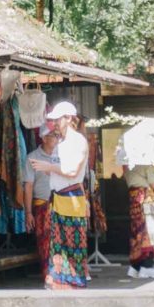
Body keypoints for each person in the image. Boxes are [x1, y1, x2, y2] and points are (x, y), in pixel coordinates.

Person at [29, 100, 90, 290]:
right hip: (58, 197)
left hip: (71, 197)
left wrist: (49, 167)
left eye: (57, 119)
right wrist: (49, 169)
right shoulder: (60, 143)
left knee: (72, 242)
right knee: (59, 244)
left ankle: (73, 280)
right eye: (53, 120)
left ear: (68, 118)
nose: (54, 123)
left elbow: (72, 171)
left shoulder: (77, 141)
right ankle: (59, 280)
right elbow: (59, 170)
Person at [24, 119, 60, 277]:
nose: (57, 138)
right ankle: (48, 275)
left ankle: (61, 275)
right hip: (42, 204)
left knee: (62, 241)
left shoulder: (62, 154)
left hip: (61, 204)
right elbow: (28, 186)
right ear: (44, 138)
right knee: (44, 242)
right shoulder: (33, 157)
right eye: (53, 135)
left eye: (58, 135)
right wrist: (28, 213)